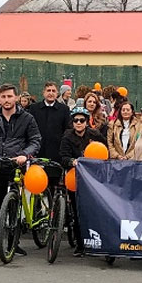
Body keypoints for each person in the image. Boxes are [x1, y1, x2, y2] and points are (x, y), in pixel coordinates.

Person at [0, 83, 41, 257]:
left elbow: (35, 140)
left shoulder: (27, 118)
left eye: (9, 96)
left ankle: (14, 243)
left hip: (15, 166)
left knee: (15, 207)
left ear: (16, 97)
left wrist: (25, 155)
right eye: (3, 96)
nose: (6, 100)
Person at [60, 106, 106, 256]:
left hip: (94, 179)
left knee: (96, 210)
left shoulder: (95, 135)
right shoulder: (67, 137)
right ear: (72, 122)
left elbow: (104, 151)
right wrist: (72, 161)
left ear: (87, 121)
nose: (79, 123)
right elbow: (64, 157)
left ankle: (98, 241)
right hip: (76, 178)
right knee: (77, 211)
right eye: (76, 120)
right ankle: (80, 245)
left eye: (82, 120)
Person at [27, 82, 70, 166]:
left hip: (57, 153)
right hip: (38, 152)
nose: (51, 93)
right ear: (43, 92)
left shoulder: (64, 109)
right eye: (48, 90)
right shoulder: (34, 108)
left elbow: (66, 130)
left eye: (53, 91)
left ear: (57, 93)